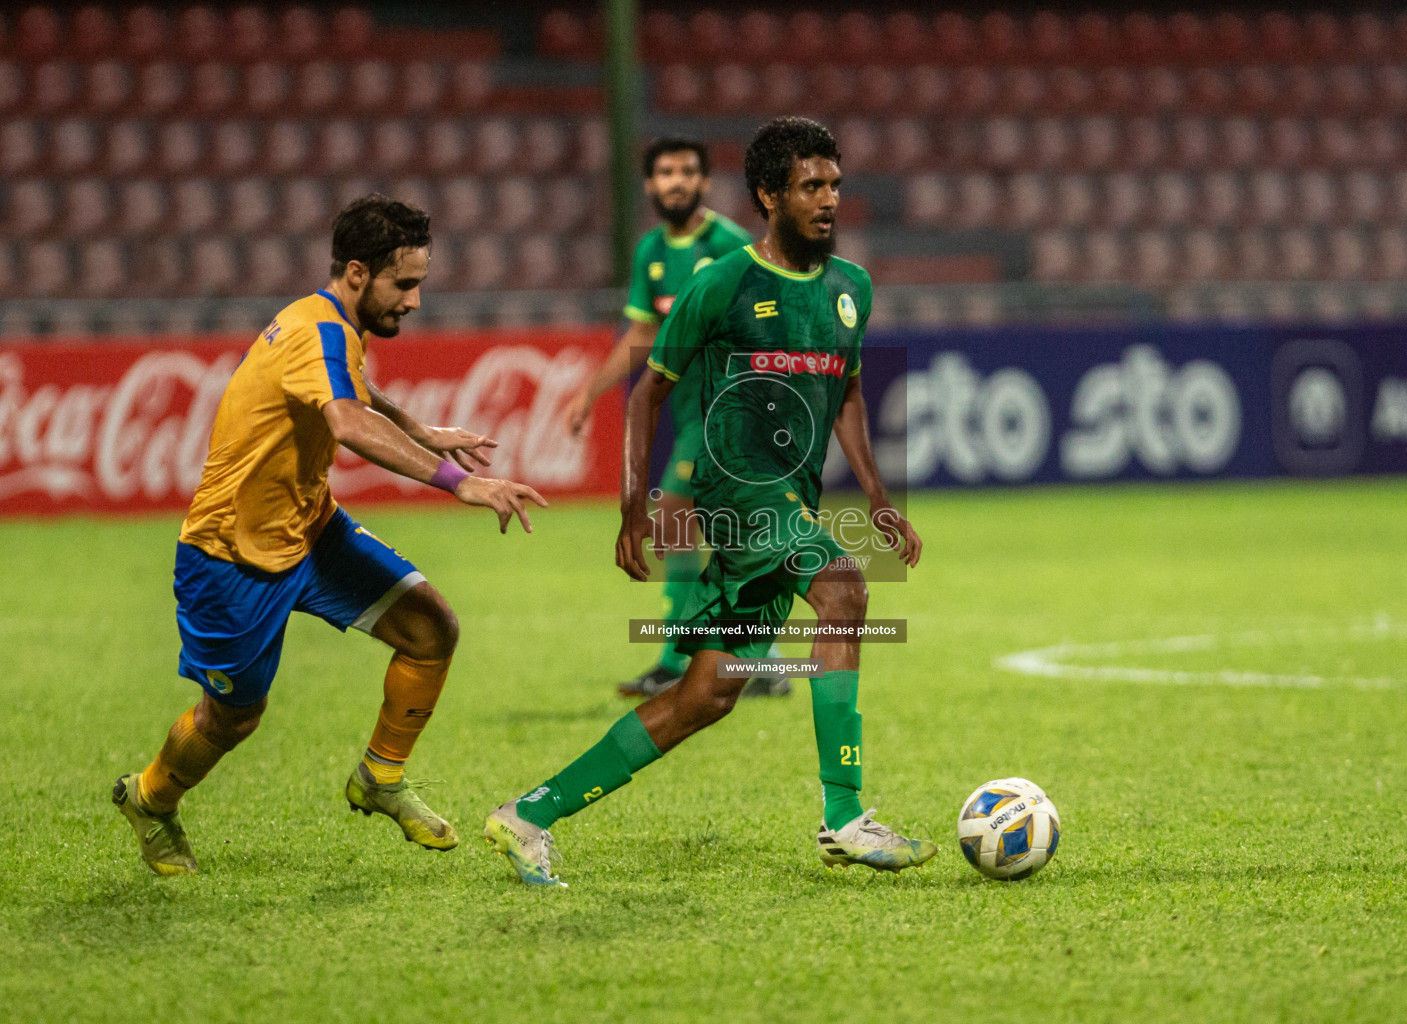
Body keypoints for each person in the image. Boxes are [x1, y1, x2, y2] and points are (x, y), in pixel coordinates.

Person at [484, 118, 935, 887]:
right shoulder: (722, 281)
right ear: (768, 196)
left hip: (791, 498)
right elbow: (647, 392)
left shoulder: (850, 289)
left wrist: (877, 494)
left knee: (706, 695)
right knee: (845, 588)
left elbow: (848, 388)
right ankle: (845, 814)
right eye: (809, 187)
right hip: (739, 497)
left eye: (833, 185)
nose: (828, 200)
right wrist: (634, 506)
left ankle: (530, 813)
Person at [113, 194, 547, 876]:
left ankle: (380, 776)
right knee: (232, 719)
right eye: (405, 284)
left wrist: (418, 428)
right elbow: (345, 421)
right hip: (231, 556)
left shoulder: (336, 326)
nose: (415, 300)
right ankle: (150, 798)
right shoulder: (316, 331)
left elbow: (354, 392)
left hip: (310, 529)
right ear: (355, 273)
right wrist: (457, 482)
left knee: (431, 629)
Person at [562, 138, 789, 699]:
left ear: (706, 182)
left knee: (676, 520)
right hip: (690, 413)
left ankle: (673, 661)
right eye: (665, 172)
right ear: (649, 185)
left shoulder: (735, 245)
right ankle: (760, 660)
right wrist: (589, 393)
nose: (677, 181)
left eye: (688, 171)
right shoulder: (651, 252)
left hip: (731, 411)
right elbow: (641, 333)